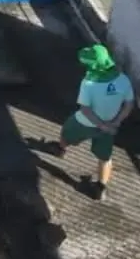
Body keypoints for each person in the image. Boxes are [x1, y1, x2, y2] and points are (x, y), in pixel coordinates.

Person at [53, 43, 134, 199]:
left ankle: (60, 149)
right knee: (105, 157)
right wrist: (115, 123)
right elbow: (129, 104)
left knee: (67, 130)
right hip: (110, 125)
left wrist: (100, 125)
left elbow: (85, 109)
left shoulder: (88, 83)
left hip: (85, 122)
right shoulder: (123, 80)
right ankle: (101, 188)